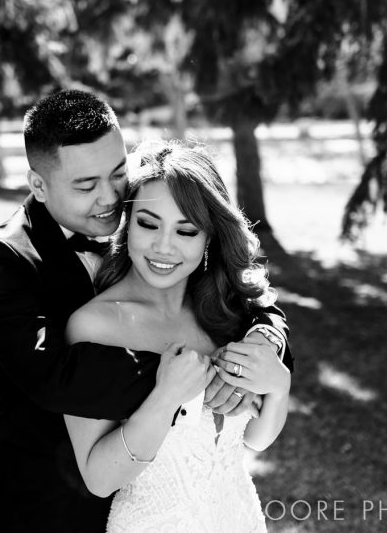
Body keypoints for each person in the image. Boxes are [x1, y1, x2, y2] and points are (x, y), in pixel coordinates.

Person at [0, 90, 293, 532]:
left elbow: (255, 308)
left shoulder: (154, 226)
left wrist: (265, 347)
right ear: (38, 184)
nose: (109, 198)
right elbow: (54, 378)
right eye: (85, 185)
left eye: (118, 174)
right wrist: (203, 372)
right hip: (40, 506)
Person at [63, 140, 291, 532]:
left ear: (209, 237)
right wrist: (166, 396)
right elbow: (98, 477)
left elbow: (253, 439)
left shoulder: (226, 315)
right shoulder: (95, 326)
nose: (163, 247)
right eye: (148, 224)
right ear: (126, 223)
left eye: (186, 231)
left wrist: (279, 386)